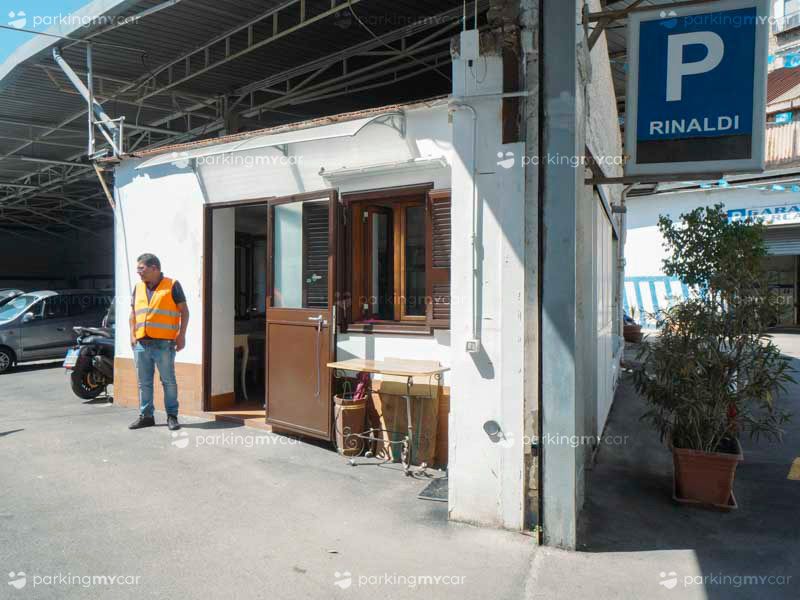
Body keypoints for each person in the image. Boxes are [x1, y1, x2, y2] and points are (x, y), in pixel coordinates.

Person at [128, 253, 189, 431]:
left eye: (141, 268)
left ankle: (172, 416)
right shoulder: (138, 287)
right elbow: (133, 313)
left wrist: (181, 335)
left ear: (154, 268)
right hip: (141, 343)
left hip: (164, 344)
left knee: (168, 381)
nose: (139, 272)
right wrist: (132, 334)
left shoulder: (172, 285)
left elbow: (185, 311)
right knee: (143, 382)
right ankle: (146, 416)